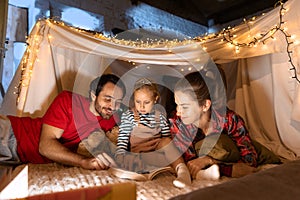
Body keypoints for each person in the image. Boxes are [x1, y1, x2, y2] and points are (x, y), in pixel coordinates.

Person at [0, 74, 125, 170]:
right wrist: (83, 161)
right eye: (108, 99)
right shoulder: (68, 101)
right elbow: (45, 147)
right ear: (93, 95)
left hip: (18, 158)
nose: (113, 106)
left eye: (118, 101)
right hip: (11, 134)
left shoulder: (112, 119)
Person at [169, 71, 280, 180]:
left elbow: (249, 159)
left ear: (205, 105)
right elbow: (191, 164)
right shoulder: (178, 124)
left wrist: (210, 160)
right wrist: (229, 170)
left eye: (184, 107)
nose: (178, 112)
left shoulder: (230, 119)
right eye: (177, 105)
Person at [115, 78, 191, 188]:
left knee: (166, 142)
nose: (141, 106)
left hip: (157, 154)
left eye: (146, 102)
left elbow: (167, 139)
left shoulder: (160, 116)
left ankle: (182, 171)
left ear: (155, 99)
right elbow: (122, 140)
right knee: (129, 158)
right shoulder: (128, 116)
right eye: (138, 102)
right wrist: (120, 156)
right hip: (139, 154)